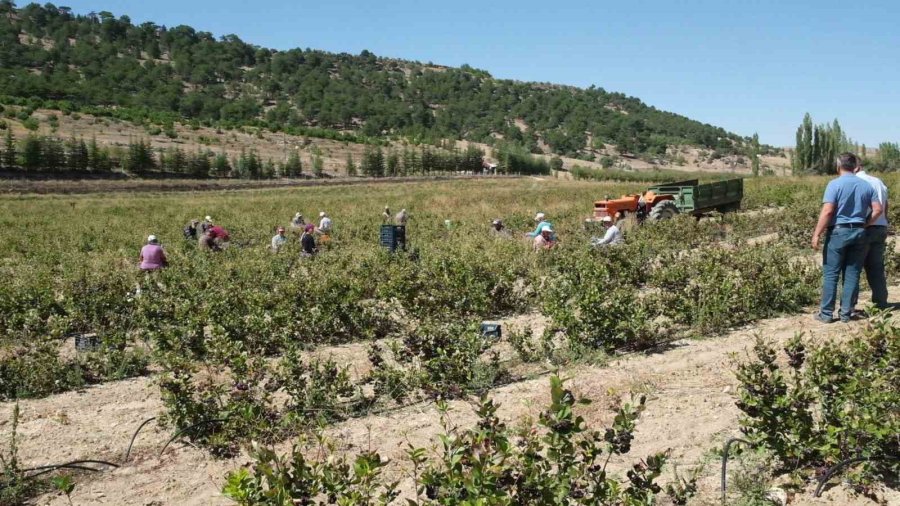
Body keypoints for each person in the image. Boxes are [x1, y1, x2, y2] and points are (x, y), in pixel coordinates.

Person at [811, 153, 882, 323]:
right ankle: (846, 313)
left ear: (838, 165)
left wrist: (816, 233)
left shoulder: (834, 184)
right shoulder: (866, 185)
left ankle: (826, 314)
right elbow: (878, 209)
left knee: (831, 274)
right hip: (859, 232)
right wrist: (865, 224)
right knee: (852, 274)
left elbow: (828, 211)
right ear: (855, 166)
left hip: (838, 232)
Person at [852, 159, 890, 312]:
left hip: (864, 227)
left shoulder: (856, 182)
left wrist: (864, 224)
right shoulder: (878, 181)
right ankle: (881, 303)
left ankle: (849, 305)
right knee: (876, 267)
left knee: (853, 268)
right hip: (880, 227)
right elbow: (885, 205)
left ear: (855, 167)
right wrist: (885, 222)